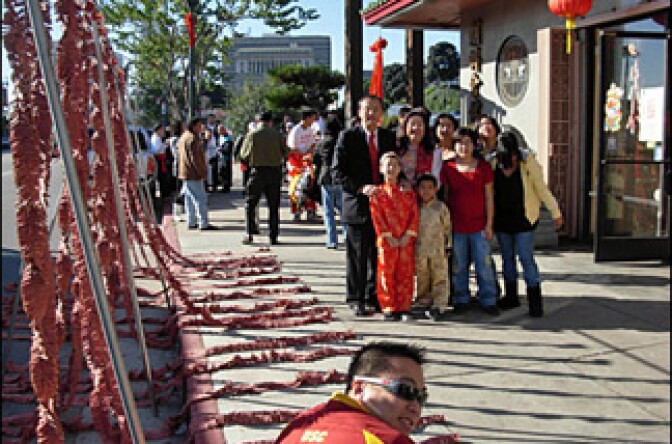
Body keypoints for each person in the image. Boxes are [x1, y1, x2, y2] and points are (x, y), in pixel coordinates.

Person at [276, 342, 427, 443]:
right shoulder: (386, 439)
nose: (415, 407)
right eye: (405, 390)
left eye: (421, 397)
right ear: (359, 388)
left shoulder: (298, 426)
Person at [333, 95, 396, 316]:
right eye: (367, 109)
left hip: (383, 206)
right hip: (357, 204)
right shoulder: (347, 137)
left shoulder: (389, 137)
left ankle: (375, 296)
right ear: (359, 112)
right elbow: (337, 172)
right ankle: (355, 297)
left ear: (382, 113)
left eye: (376, 109)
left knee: (378, 254)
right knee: (357, 255)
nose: (371, 114)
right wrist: (361, 188)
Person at [493, 132, 563, 317]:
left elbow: (541, 188)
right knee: (507, 259)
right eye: (506, 156)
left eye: (513, 154)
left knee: (526, 258)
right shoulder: (493, 164)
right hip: (502, 221)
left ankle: (535, 302)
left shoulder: (528, 163)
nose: (510, 159)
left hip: (524, 220)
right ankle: (511, 296)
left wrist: (555, 212)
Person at [440, 127, 499, 315]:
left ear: (474, 145)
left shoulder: (484, 168)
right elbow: (446, 198)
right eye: (459, 143)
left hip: (479, 226)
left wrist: (489, 224)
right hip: (457, 227)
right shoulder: (448, 168)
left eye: (467, 143)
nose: (463, 147)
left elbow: (489, 197)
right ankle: (461, 298)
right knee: (459, 265)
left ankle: (488, 299)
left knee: (484, 265)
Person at [370, 152, 419, 321]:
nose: (391, 168)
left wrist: (409, 234)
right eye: (387, 165)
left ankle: (404, 306)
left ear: (400, 169)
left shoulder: (408, 193)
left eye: (394, 165)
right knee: (386, 273)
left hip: (406, 239)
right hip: (386, 240)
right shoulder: (377, 194)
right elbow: (377, 216)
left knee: (405, 273)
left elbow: (414, 214)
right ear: (381, 168)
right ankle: (389, 307)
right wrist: (386, 235)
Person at [238, 110, 287, 246]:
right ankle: (273, 236)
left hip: (257, 172)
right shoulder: (277, 135)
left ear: (259, 121)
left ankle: (249, 233)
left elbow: (243, 154)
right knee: (273, 206)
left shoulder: (252, 135)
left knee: (251, 204)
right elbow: (286, 152)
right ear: (270, 121)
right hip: (274, 172)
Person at [412, 173, 452, 321]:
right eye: (422, 188)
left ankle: (439, 304)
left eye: (430, 188)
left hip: (438, 249)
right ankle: (423, 300)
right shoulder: (415, 207)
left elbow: (447, 228)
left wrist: (449, 246)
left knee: (439, 277)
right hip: (420, 249)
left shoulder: (440, 207)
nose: (426, 191)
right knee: (422, 277)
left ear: (436, 189)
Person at [313, 115, 346, 249]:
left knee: (328, 211)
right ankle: (347, 236)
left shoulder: (322, 143)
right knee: (343, 210)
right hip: (339, 177)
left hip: (326, 177)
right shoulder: (342, 141)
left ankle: (332, 240)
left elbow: (315, 159)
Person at [177, 117, 216, 231]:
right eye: (199, 126)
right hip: (194, 173)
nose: (201, 128)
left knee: (189, 199)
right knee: (200, 198)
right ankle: (203, 223)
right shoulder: (193, 139)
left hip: (186, 172)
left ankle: (192, 221)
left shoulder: (184, 137)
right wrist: (202, 172)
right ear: (193, 126)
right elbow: (196, 158)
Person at [287, 109, 318, 221]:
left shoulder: (310, 130)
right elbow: (292, 148)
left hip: (306, 160)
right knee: (296, 186)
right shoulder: (295, 131)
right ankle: (296, 212)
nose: (314, 120)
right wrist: (302, 155)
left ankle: (310, 211)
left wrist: (309, 153)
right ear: (307, 118)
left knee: (310, 184)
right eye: (312, 118)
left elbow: (312, 144)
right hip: (296, 161)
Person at [398, 108, 442, 187]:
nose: (416, 128)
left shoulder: (435, 152)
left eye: (420, 125)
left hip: (425, 195)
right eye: (412, 124)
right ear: (405, 127)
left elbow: (436, 180)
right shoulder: (397, 149)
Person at [216, 123, 233, 193]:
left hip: (226, 158)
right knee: (222, 173)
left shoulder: (228, 138)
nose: (218, 131)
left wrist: (220, 149)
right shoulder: (220, 137)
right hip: (221, 158)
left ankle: (226, 187)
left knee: (226, 173)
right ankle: (224, 186)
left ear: (223, 130)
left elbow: (228, 149)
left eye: (220, 130)